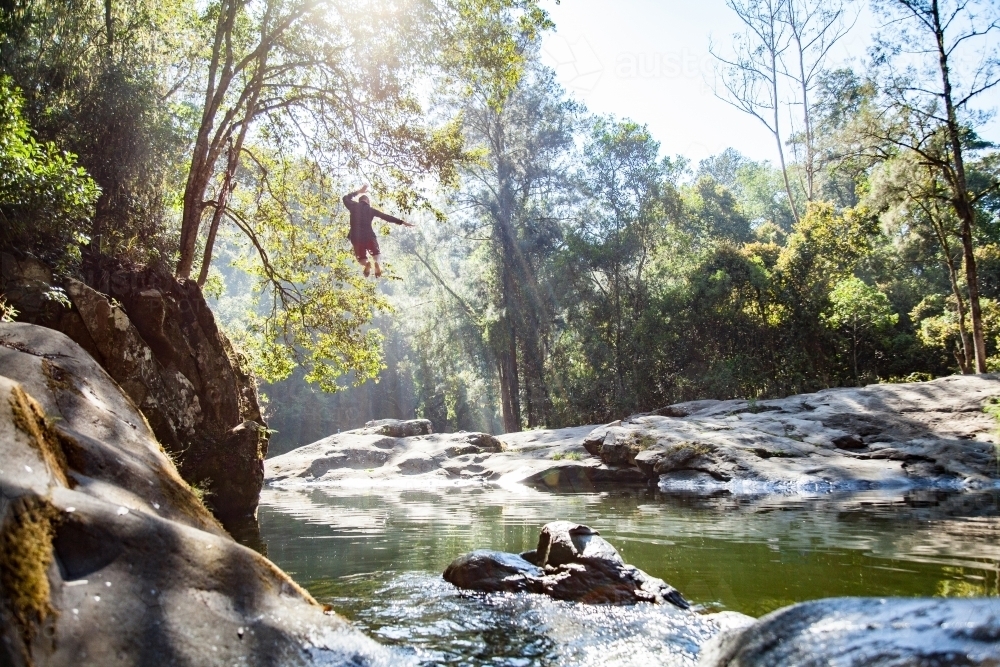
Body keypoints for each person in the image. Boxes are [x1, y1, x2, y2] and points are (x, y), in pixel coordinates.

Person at [343, 184, 414, 277]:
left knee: (361, 259)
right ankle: (376, 262)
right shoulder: (371, 210)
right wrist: (402, 222)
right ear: (368, 202)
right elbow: (386, 217)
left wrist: (359, 191)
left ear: (360, 201)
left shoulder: (353, 206)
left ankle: (367, 264)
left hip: (356, 237)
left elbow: (345, 198)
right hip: (369, 236)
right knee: (377, 254)